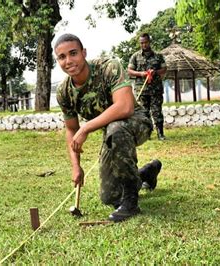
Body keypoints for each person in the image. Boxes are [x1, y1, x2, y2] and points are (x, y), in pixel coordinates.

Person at [54, 33, 162, 222]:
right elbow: (71, 129)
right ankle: (145, 174)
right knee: (109, 196)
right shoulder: (64, 91)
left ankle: (131, 202)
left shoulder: (108, 67)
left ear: (84, 53)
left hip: (136, 121)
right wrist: (76, 166)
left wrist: (86, 128)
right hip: (112, 133)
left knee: (116, 129)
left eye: (73, 53)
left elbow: (125, 106)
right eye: (62, 57)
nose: (68, 61)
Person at [128, 33, 167, 140]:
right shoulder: (135, 56)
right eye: (142, 43)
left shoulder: (158, 56)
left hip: (156, 89)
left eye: (145, 42)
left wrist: (155, 72)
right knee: (144, 113)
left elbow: (164, 69)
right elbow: (130, 71)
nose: (144, 45)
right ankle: (147, 134)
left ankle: (160, 134)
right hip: (142, 89)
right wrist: (141, 74)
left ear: (149, 42)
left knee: (157, 111)